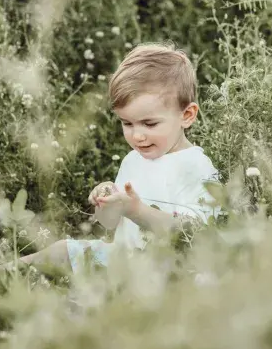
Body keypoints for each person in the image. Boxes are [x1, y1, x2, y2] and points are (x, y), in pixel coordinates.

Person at [20, 42, 219, 273]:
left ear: (187, 115)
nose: (137, 135)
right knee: (62, 250)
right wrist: (107, 203)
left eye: (150, 123)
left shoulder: (195, 166)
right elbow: (110, 225)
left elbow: (194, 234)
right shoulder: (133, 160)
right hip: (124, 259)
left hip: (170, 269)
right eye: (127, 123)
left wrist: (136, 210)